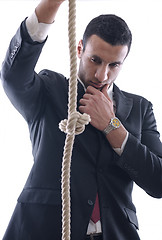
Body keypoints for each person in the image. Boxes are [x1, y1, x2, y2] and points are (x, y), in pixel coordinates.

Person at [1, 0, 162, 239]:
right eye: (95, 60)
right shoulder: (50, 90)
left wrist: (112, 127)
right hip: (43, 229)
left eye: (114, 65)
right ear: (79, 50)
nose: (102, 75)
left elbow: (158, 182)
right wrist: (51, 5)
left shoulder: (140, 108)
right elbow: (14, 76)